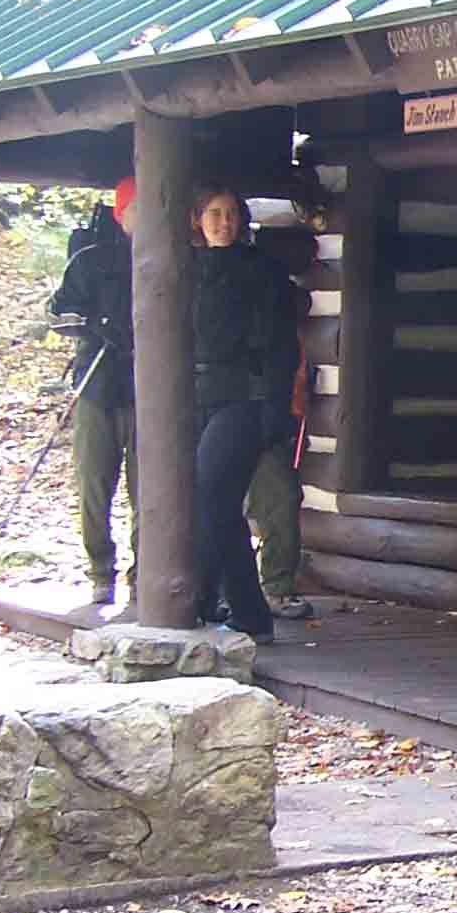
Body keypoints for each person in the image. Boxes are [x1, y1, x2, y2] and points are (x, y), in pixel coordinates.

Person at [189, 185, 288, 643]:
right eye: (214, 213)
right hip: (198, 393)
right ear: (198, 219)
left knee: (217, 498)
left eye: (231, 213)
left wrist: (274, 404)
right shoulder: (186, 268)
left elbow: (279, 343)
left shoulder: (259, 270)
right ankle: (205, 599)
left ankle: (251, 612)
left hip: (245, 396)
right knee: (201, 501)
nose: (223, 222)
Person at [50, 177, 138, 609]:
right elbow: (60, 312)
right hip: (98, 385)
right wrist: (96, 325)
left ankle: (149, 571)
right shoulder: (90, 259)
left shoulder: (179, 256)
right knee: (93, 486)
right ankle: (101, 570)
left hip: (148, 391)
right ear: (122, 213)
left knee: (150, 489)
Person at [242, 231, 312, 621]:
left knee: (281, 498)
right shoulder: (205, 282)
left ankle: (278, 588)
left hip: (266, 411)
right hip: (219, 409)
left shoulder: (278, 297)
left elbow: (287, 361)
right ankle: (217, 590)